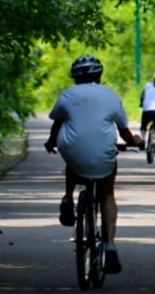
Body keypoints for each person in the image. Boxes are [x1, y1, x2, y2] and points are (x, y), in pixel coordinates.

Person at [44, 54, 143, 273]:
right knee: (107, 193)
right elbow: (124, 132)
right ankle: (110, 245)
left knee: (73, 159)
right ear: (100, 75)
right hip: (103, 154)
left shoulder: (68, 94)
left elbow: (57, 123)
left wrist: (51, 142)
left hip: (73, 153)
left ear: (74, 77)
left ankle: (68, 198)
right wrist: (135, 140)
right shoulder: (109, 95)